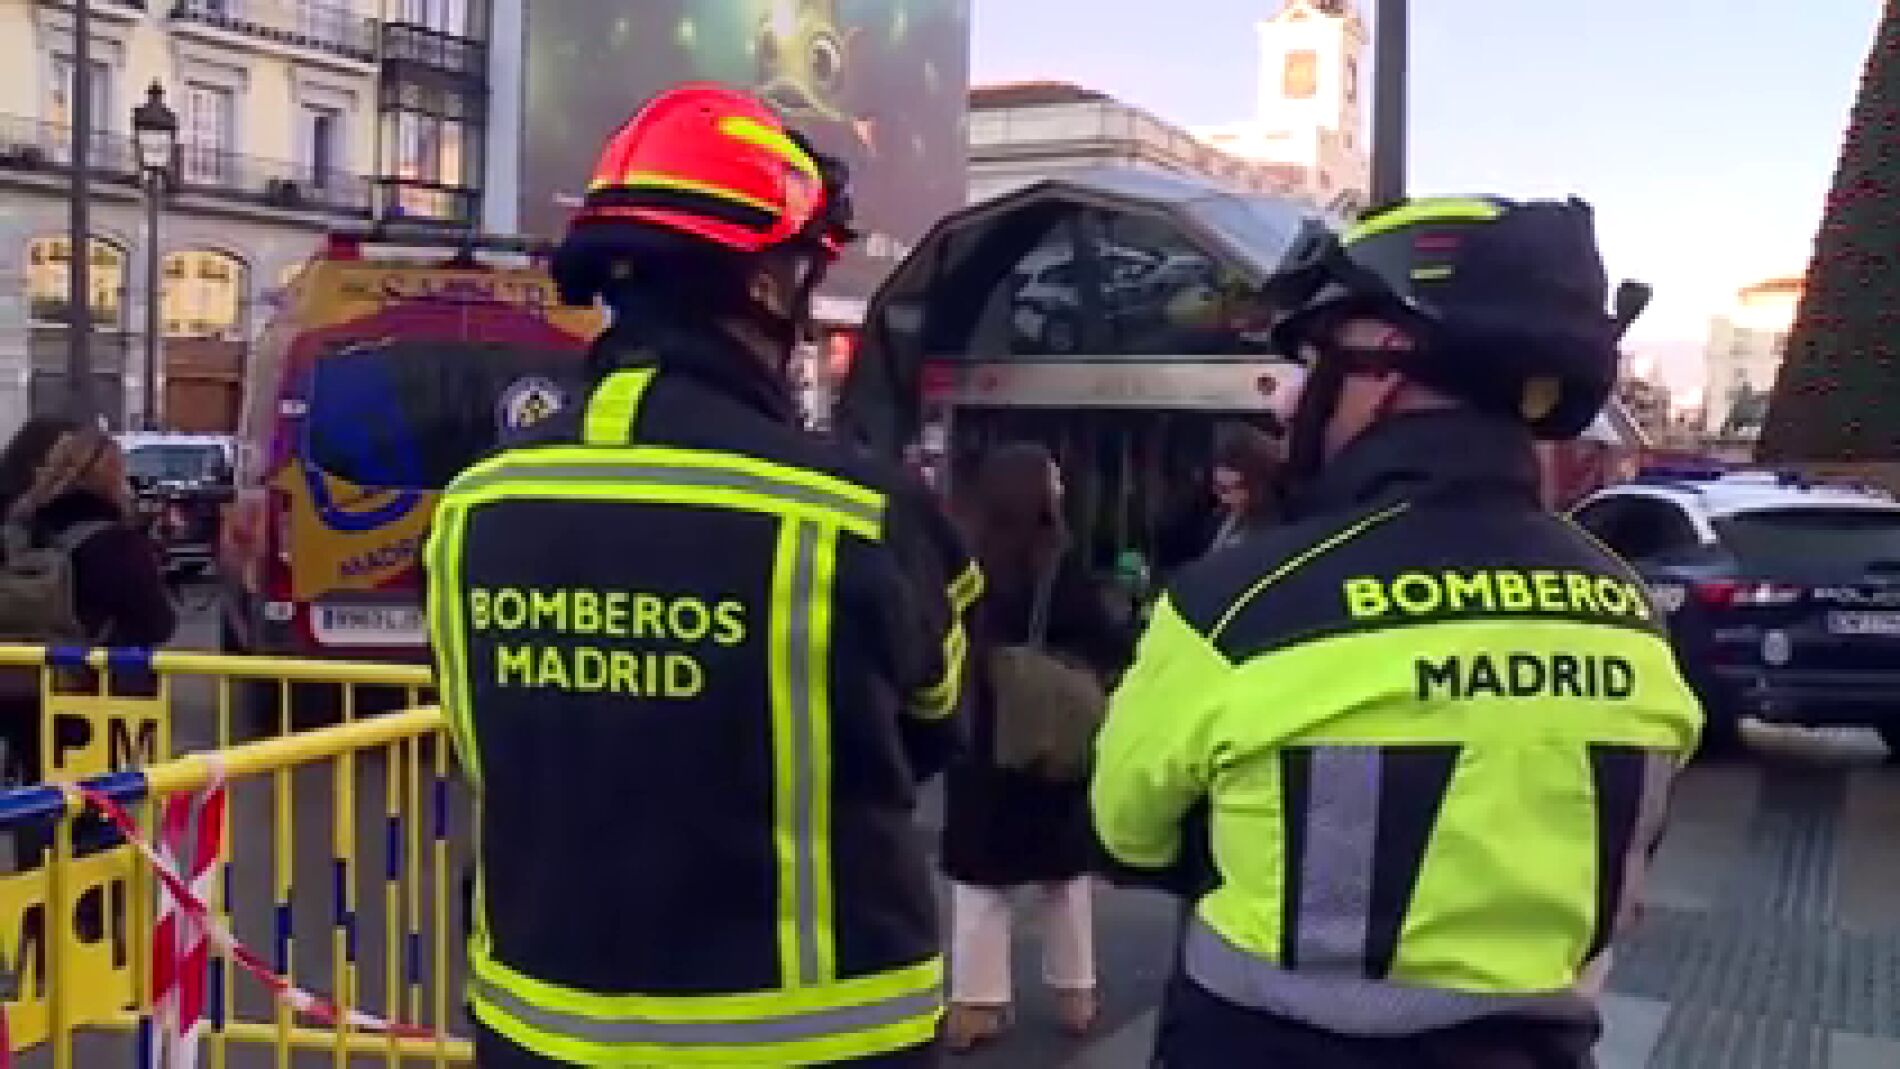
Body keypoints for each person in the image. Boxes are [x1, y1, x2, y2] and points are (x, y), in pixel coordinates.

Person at [424, 84, 980, 1069]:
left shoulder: (475, 505)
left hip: (538, 1027)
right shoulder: (860, 510)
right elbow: (940, 726)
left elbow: (493, 740)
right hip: (814, 1040)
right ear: (769, 286)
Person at [1089, 196, 1704, 1067]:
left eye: (1312, 358)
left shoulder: (1239, 603)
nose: (1289, 398)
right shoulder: (1628, 607)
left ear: (1388, 373)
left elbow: (1125, 832)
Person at [938, 442, 1133, 1052]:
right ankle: (1077, 992)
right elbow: (1106, 646)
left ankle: (977, 1004)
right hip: (1053, 740)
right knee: (1064, 874)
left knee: (978, 881)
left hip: (984, 739)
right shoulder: (1063, 568)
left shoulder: (965, 562)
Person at [0, 418, 176, 782]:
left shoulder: (19, 529)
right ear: (111, 476)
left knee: (35, 797)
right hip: (93, 697)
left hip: (18, 688)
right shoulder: (117, 544)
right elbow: (158, 623)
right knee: (94, 809)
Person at [1207, 421, 1284, 553]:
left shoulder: (1266, 534)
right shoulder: (1227, 517)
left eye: (1226, 489)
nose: (1221, 497)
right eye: (1217, 487)